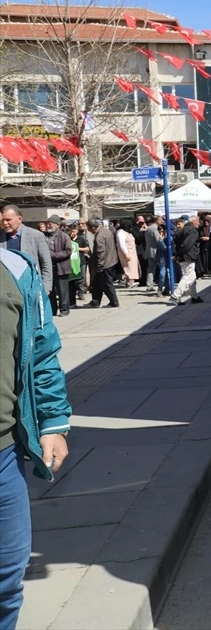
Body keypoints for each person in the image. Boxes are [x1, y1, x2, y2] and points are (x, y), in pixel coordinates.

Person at [0, 245, 71, 629]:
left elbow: (41, 353)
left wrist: (53, 422)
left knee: (7, 585)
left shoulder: (15, 268)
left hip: (4, 458)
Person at [0, 205, 52, 294]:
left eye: (8, 220)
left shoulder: (36, 235)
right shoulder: (1, 236)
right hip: (7, 289)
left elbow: (46, 263)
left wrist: (46, 287)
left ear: (19, 219)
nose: (5, 223)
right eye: (2, 220)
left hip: (31, 288)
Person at [43, 216, 74, 318]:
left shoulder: (64, 236)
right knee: (49, 289)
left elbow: (68, 251)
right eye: (47, 223)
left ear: (57, 225)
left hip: (61, 267)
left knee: (62, 290)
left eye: (50, 224)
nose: (48, 225)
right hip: (48, 268)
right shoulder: (44, 236)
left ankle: (64, 309)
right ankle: (52, 309)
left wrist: (53, 255)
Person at [170, 215, 203, 306]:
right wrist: (180, 254)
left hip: (183, 257)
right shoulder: (192, 230)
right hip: (188, 256)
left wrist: (177, 254)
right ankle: (175, 296)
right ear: (193, 222)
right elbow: (187, 244)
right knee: (187, 276)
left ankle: (194, 296)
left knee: (192, 277)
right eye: (198, 221)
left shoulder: (180, 231)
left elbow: (175, 243)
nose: (199, 223)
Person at [86, 218, 119, 308]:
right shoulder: (106, 231)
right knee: (96, 283)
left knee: (107, 284)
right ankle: (95, 301)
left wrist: (99, 266)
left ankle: (114, 301)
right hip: (111, 260)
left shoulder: (99, 236)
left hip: (104, 264)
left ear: (93, 228)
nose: (88, 231)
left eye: (88, 229)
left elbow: (101, 252)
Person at [115, 219, 139, 288]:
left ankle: (130, 281)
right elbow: (122, 244)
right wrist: (126, 253)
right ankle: (129, 282)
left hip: (131, 252)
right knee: (128, 267)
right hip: (127, 253)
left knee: (131, 266)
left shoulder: (126, 232)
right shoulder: (120, 233)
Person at [65, 223, 84, 308]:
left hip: (68, 267)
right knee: (73, 286)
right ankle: (73, 303)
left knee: (68, 287)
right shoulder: (75, 244)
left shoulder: (66, 244)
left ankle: (69, 303)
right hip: (76, 267)